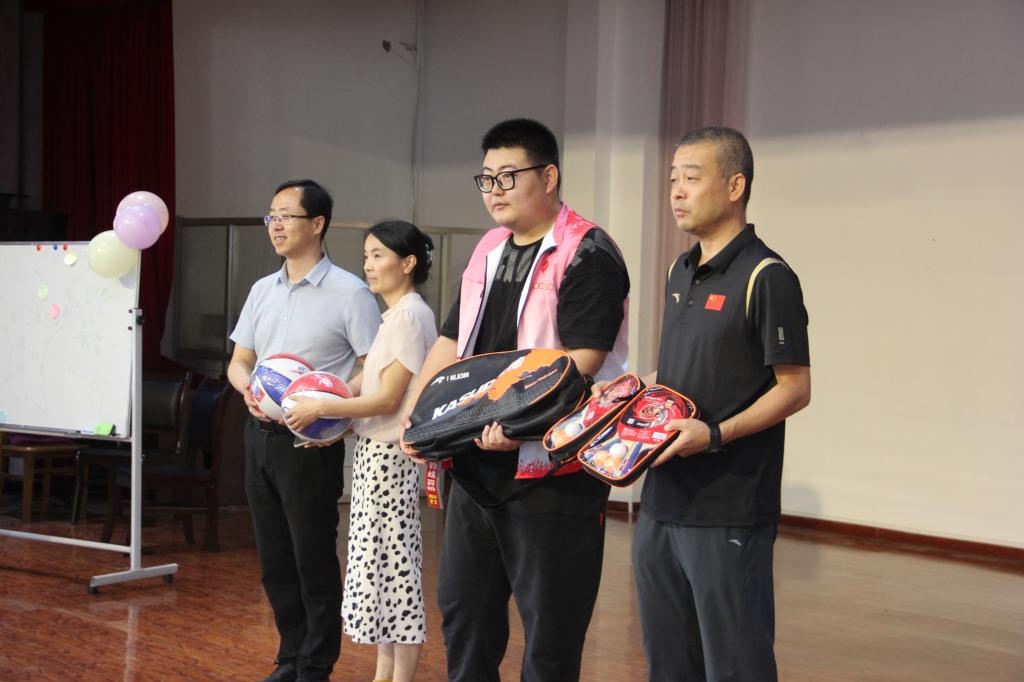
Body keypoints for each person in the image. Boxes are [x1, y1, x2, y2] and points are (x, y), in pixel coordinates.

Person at [401, 118, 631, 682]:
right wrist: (419, 415)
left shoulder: (588, 251)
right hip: (475, 467)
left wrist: (515, 421)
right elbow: (453, 340)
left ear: (548, 177)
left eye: (508, 176)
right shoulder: (488, 248)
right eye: (486, 178)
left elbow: (583, 361)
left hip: (552, 473)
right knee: (466, 619)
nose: (495, 190)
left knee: (550, 635)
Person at [611, 126, 812, 681]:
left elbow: (795, 387)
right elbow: (685, 373)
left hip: (728, 507)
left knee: (735, 665)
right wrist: (629, 389)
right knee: (669, 663)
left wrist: (716, 434)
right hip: (661, 500)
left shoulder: (767, 277)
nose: (676, 190)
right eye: (673, 178)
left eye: (692, 178)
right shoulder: (680, 270)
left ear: (734, 186)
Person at [227, 179, 382, 682]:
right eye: (270, 216)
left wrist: (331, 404)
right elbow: (239, 361)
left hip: (310, 444)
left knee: (311, 557)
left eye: (286, 216)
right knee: (274, 560)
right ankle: (288, 657)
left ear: (317, 224)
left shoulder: (350, 292)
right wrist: (248, 388)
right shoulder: (261, 290)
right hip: (259, 438)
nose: (275, 225)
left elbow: (373, 368)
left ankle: (316, 664)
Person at [283, 220, 437, 682]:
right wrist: (341, 424)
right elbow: (379, 400)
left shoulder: (410, 316)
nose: (368, 265)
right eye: (366, 255)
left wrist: (324, 407)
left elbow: (388, 400)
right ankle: (383, 674)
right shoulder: (394, 316)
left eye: (378, 255)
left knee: (398, 573)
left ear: (407, 263)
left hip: (392, 462)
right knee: (380, 573)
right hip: (374, 457)